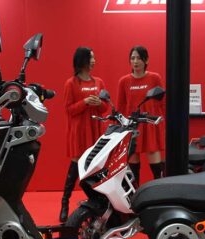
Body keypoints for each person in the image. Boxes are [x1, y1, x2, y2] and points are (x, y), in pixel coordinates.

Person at [60, 47, 108, 223]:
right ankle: (65, 202)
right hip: (79, 130)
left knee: (96, 166)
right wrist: (85, 102)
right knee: (76, 165)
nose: (94, 61)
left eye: (94, 57)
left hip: (95, 129)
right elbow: (69, 110)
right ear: (82, 60)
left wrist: (98, 103)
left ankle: (97, 201)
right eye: (91, 58)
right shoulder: (71, 83)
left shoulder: (99, 82)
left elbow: (105, 108)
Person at [117, 45, 165, 185]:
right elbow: (120, 106)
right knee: (133, 166)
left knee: (156, 167)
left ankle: (160, 192)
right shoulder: (124, 81)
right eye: (132, 58)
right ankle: (135, 195)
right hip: (132, 127)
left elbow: (162, 103)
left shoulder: (155, 78)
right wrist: (120, 128)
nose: (135, 61)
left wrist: (161, 123)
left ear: (146, 60)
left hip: (150, 126)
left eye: (138, 58)